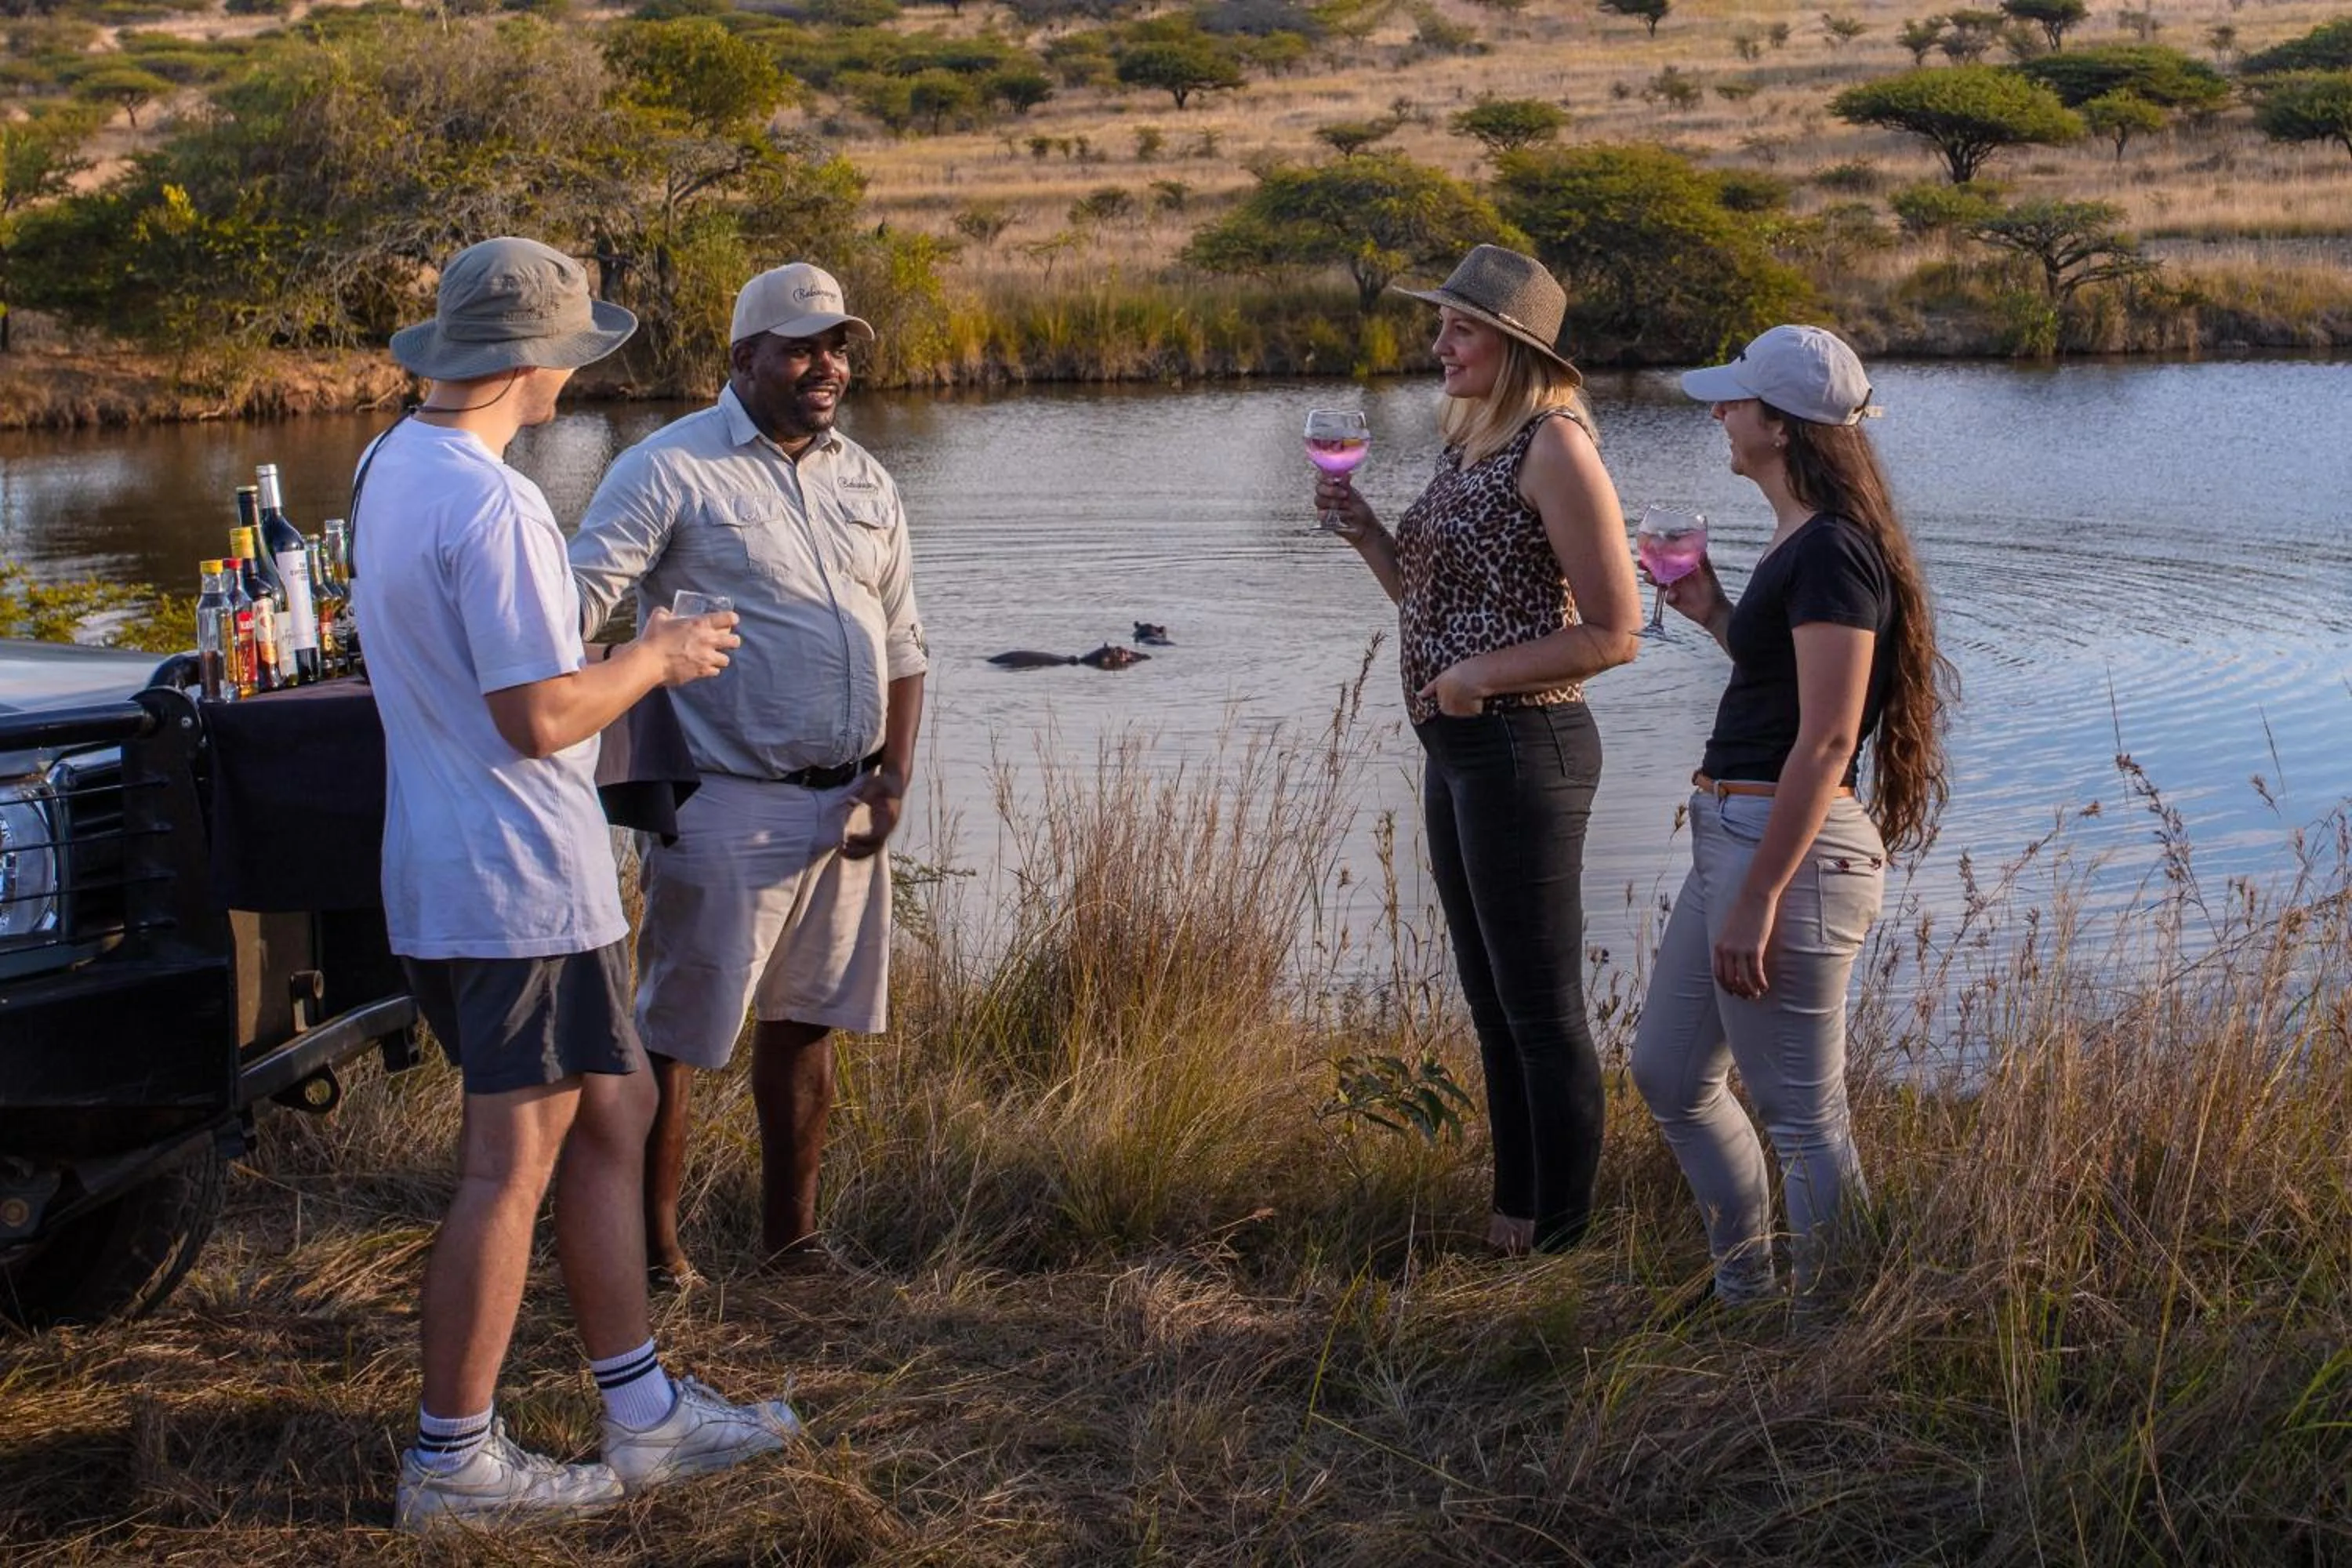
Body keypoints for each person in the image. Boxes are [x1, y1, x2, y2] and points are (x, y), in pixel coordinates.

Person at [358, 238, 803, 1532]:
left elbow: (495, 671)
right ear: (530, 359)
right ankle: (454, 1464)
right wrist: (657, 659)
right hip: (512, 883)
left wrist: (591, 653)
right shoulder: (489, 502)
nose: (574, 374)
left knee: (609, 1115)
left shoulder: (394, 463)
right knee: (515, 1161)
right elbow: (540, 716)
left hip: (457, 866)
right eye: (569, 352)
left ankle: (646, 1415)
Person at [571, 262, 927, 1283]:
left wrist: (894, 778)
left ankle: (792, 1245)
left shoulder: (866, 479)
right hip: (723, 799)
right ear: (743, 358)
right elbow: (572, 607)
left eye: (841, 346)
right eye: (804, 346)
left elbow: (906, 645)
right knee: (678, 1035)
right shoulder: (668, 469)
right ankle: (652, 1255)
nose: (829, 366)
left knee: (810, 1020)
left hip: (850, 794)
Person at [1314, 245, 1642, 1256]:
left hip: (1524, 743)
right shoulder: (1473, 441)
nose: (1438, 344)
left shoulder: (1556, 446)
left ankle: (1566, 1244)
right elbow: (1439, 604)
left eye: (1459, 329)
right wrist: (1371, 534)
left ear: (1512, 345)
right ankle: (1516, 1216)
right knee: (1491, 999)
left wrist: (1477, 680)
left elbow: (1614, 629)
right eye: (1444, 326)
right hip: (1458, 744)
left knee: (1541, 1010)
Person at [1630, 325, 1955, 1310]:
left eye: (1735, 403)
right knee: (1669, 1073)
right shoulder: (1802, 538)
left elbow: (1824, 739)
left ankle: (1838, 1334)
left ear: (1782, 424)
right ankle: (1751, 1297)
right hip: (1739, 829)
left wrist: (1759, 895)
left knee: (1804, 1117)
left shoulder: (1834, 554)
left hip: (1789, 851)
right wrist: (1715, 612)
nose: (1721, 415)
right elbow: (1782, 687)